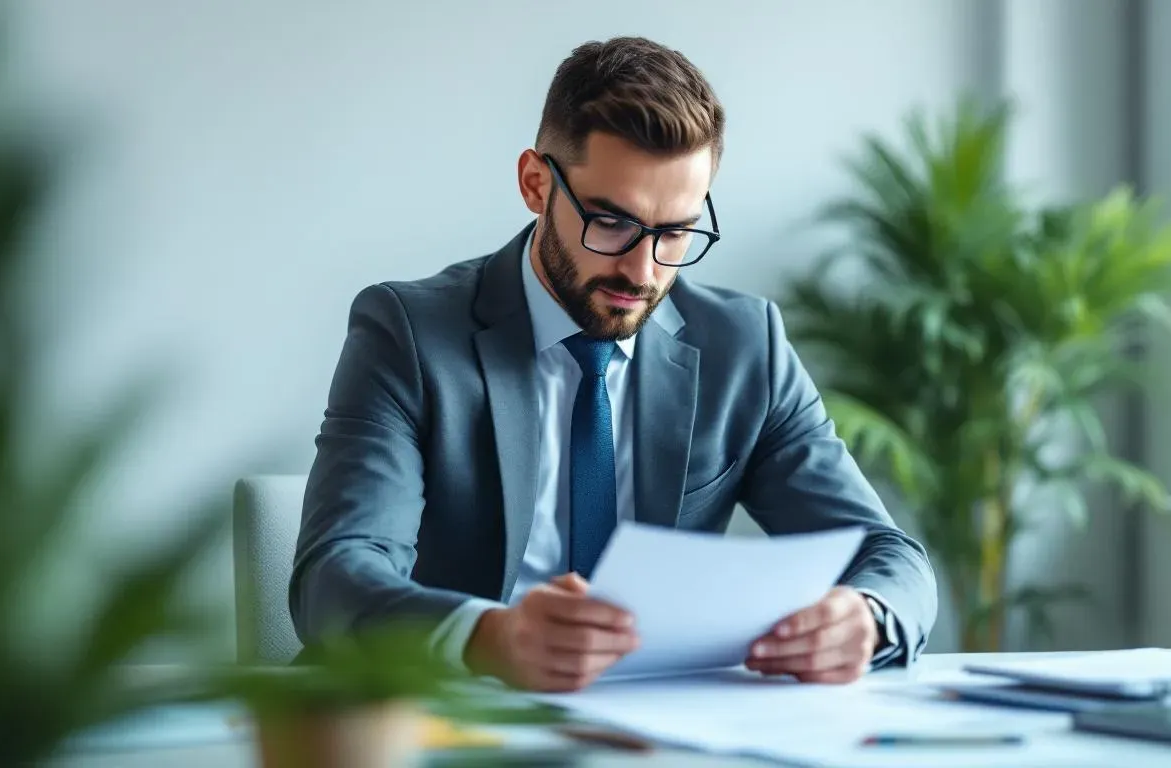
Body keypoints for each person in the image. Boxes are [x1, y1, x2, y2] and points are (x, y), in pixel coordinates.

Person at [290, 36, 937, 693]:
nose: (643, 269)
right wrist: (490, 637)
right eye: (611, 222)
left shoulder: (745, 347)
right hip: (450, 714)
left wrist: (867, 618)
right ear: (536, 184)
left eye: (675, 232)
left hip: (658, 725)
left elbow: (889, 557)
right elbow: (335, 578)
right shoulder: (410, 334)